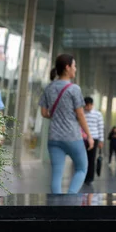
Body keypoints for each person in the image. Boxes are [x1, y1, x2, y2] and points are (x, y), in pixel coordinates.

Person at [39, 54, 94, 194]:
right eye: (74, 66)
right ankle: (69, 199)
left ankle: (56, 206)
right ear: (67, 67)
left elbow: (44, 113)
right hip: (72, 136)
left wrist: (57, 116)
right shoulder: (74, 89)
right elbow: (80, 114)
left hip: (54, 138)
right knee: (82, 168)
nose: (75, 69)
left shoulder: (49, 88)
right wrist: (89, 135)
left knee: (56, 175)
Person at [83, 96, 104, 185]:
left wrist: (101, 140)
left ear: (92, 105)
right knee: (83, 159)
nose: (87, 107)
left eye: (88, 105)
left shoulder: (98, 114)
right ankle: (82, 176)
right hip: (83, 139)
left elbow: (100, 127)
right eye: (85, 106)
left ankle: (90, 178)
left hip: (94, 138)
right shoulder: (81, 114)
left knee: (91, 159)